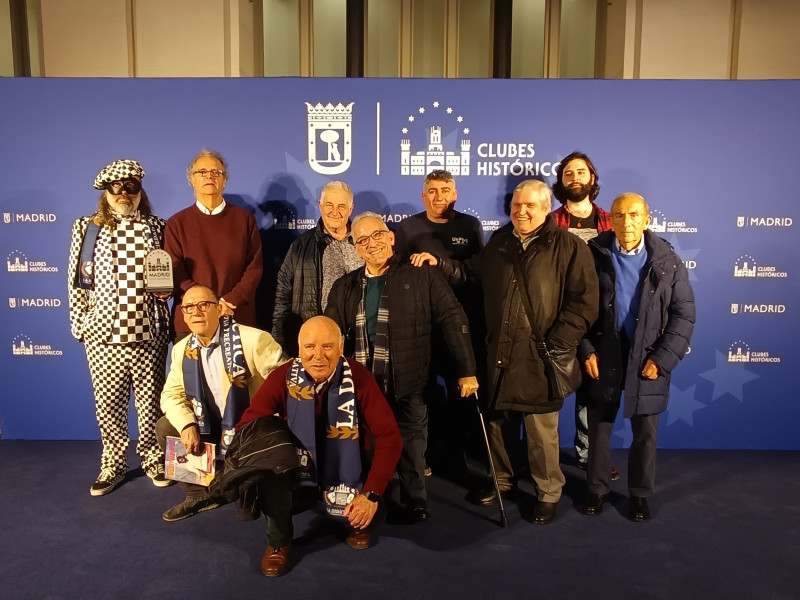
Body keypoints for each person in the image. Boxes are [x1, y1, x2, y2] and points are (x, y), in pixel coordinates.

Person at [439, 180, 598, 525]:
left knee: (542, 432)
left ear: (545, 209)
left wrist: (557, 344)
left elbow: (584, 304)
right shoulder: (499, 245)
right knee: (498, 423)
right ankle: (502, 481)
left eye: (530, 206)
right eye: (516, 205)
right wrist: (439, 263)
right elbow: (469, 274)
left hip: (542, 357)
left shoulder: (569, 247)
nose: (521, 211)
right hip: (500, 353)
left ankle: (548, 492)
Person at [325, 212, 479, 522]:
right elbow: (329, 330)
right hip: (362, 383)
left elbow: (453, 318)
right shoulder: (345, 286)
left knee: (412, 442)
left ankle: (415, 498)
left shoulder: (422, 274)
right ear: (356, 249)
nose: (372, 244)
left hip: (410, 378)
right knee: (367, 444)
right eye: (363, 240)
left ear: (392, 236)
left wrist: (467, 369)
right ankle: (373, 495)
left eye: (378, 235)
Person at [238, 316, 403, 577]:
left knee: (372, 521)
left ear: (340, 348)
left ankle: (354, 513)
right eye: (310, 347)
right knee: (269, 468)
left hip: (344, 467)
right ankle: (279, 542)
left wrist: (371, 494)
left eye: (327, 347)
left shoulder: (358, 376)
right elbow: (248, 424)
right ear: (299, 349)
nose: (318, 356)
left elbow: (390, 437)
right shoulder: (284, 375)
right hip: (296, 466)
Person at [580, 193, 695, 522]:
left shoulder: (668, 261)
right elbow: (577, 308)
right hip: (605, 356)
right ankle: (597, 490)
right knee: (599, 428)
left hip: (648, 358)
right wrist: (586, 349)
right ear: (610, 220)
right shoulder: (594, 255)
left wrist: (661, 359)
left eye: (633, 215)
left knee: (645, 432)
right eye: (619, 215)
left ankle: (640, 494)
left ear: (647, 220)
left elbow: (683, 316)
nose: (626, 222)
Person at [67, 158, 172, 496]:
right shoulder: (88, 227)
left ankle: (154, 457)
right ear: (106, 191)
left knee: (151, 403)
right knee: (108, 403)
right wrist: (80, 324)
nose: (125, 193)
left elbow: (167, 279)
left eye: (132, 187)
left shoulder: (159, 226)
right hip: (102, 335)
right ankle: (112, 463)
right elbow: (77, 280)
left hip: (148, 334)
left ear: (141, 190)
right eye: (118, 187)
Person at [157, 285, 285, 522]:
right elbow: (171, 395)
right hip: (209, 424)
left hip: (248, 427)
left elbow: (283, 388)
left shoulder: (254, 340)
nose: (196, 312)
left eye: (203, 305)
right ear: (183, 315)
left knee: (248, 512)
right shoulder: (180, 350)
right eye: (189, 307)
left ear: (219, 308)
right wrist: (187, 425)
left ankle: (249, 489)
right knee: (166, 426)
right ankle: (199, 494)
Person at [397, 169, 485, 476]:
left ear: (455, 194)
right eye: (432, 191)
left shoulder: (470, 226)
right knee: (424, 394)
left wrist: (442, 265)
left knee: (461, 394)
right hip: (422, 328)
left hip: (463, 326)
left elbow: (479, 273)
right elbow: (398, 277)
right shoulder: (408, 228)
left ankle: (460, 458)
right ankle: (428, 454)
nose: (439, 197)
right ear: (423, 196)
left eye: (445, 190)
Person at [551, 151, 617, 479]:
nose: (574, 178)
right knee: (550, 389)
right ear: (561, 182)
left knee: (592, 391)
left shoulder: (610, 221)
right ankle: (543, 461)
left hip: (601, 319)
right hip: (560, 317)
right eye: (568, 174)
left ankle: (590, 454)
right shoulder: (549, 222)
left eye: (581, 172)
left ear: (592, 178)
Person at [164, 149, 262, 338]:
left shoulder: (244, 220)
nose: (209, 176)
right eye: (202, 172)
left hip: (236, 316)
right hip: (192, 320)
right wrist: (206, 304)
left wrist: (229, 301)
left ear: (224, 181)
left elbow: (254, 268)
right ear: (191, 180)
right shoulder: (177, 223)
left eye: (216, 172)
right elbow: (177, 272)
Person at [272, 181, 363, 356]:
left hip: (359, 344)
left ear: (351, 209)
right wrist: (280, 347)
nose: (335, 212)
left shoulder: (365, 242)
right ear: (320, 205)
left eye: (341, 206)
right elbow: (282, 298)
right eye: (329, 205)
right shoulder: (300, 246)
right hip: (315, 346)